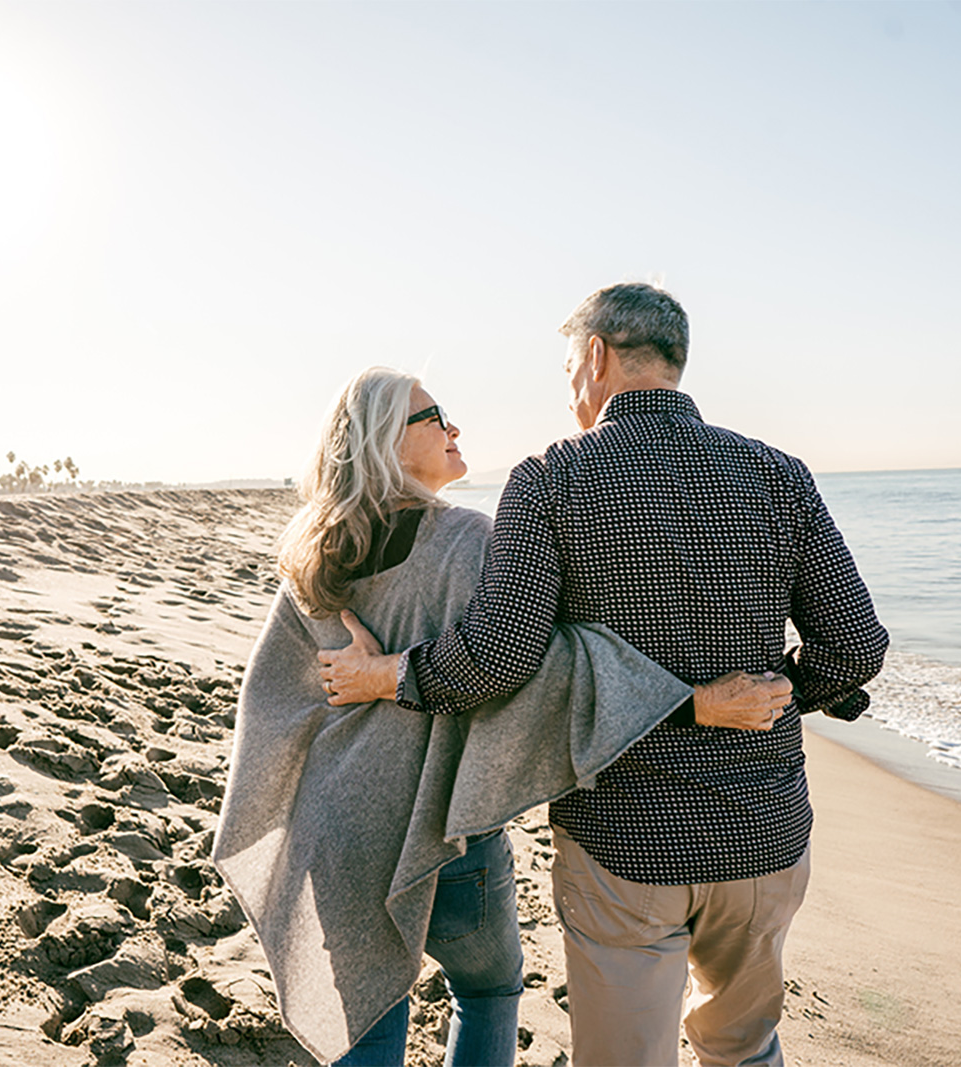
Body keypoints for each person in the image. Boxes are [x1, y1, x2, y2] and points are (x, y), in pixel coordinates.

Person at [319, 284, 889, 1067]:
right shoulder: (778, 472)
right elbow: (856, 646)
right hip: (765, 831)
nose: (569, 389)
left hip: (626, 839)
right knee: (745, 1050)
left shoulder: (552, 477)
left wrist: (391, 674)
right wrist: (791, 688)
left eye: (566, 367)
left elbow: (498, 657)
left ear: (595, 357)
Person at [212, 367, 791, 1066]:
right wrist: (692, 699)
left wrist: (356, 699)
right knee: (487, 990)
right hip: (448, 832)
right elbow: (543, 668)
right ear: (386, 441)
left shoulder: (313, 552)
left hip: (338, 832)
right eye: (435, 417)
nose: (454, 428)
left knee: (367, 1015)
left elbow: (273, 696)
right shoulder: (468, 542)